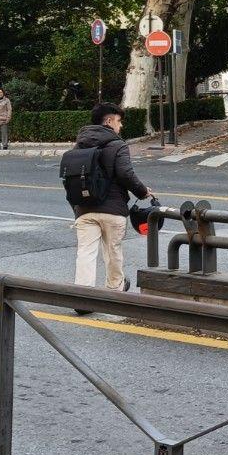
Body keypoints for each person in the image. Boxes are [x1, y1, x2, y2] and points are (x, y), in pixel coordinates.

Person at [69, 103, 151, 313]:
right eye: (119, 120)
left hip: (84, 209)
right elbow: (125, 174)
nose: (120, 125)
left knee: (85, 252)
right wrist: (143, 192)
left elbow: (70, 179)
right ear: (108, 121)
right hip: (112, 209)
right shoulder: (118, 145)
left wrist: (77, 209)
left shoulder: (79, 145)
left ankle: (82, 298)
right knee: (112, 251)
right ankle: (114, 291)